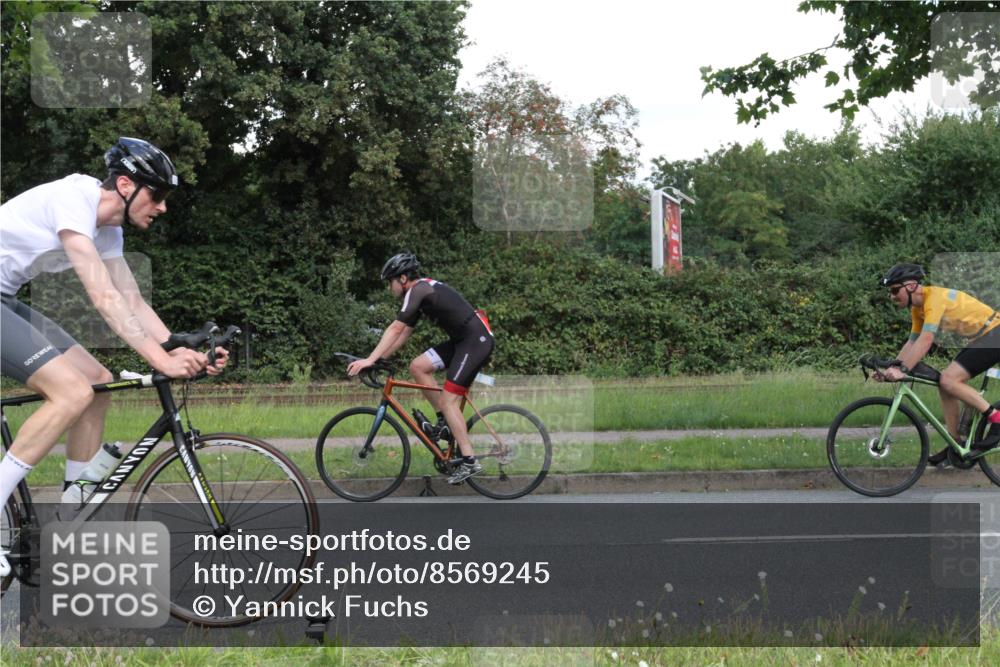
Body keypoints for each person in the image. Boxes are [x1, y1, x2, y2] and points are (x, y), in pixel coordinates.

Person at [0, 138, 227, 576]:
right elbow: (103, 296)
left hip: (4, 298)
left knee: (97, 385)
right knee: (71, 392)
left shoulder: (109, 231)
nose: (162, 207)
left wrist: (175, 348)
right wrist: (160, 362)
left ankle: (70, 516)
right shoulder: (74, 200)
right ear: (125, 185)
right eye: (156, 195)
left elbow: (132, 300)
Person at [347, 252, 495, 484]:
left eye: (390, 282)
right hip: (462, 341)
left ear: (403, 278)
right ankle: (445, 423)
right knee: (418, 366)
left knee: (449, 401)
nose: (390, 288)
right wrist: (378, 359)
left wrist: (369, 359)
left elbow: (395, 328)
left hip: (475, 341)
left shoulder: (418, 290)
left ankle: (469, 461)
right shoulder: (419, 293)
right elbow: (404, 332)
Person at [877, 263, 1000, 466]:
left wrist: (903, 370)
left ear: (910, 286)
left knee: (949, 380)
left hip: (995, 334)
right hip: (983, 337)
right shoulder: (917, 309)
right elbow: (912, 342)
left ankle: (996, 418)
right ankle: (956, 445)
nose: (892, 296)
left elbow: (926, 339)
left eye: (895, 290)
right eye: (890, 292)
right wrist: (892, 368)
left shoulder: (934, 299)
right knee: (945, 385)